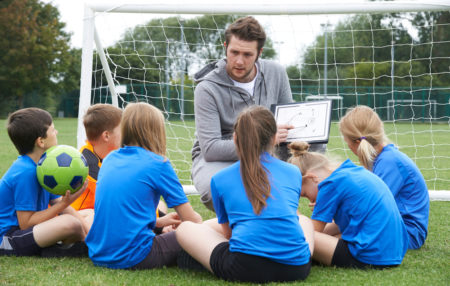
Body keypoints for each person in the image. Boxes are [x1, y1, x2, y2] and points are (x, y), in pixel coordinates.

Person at [177, 106, 314, 283]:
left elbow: (228, 235)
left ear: (235, 138)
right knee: (303, 220)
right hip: (297, 268)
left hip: (245, 268)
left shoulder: (219, 179)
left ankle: (196, 256)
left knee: (185, 228)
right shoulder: (293, 172)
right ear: (274, 139)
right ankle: (300, 253)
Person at [192, 16, 314, 210]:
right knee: (216, 187)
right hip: (224, 155)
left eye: (247, 54)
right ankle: (239, 232)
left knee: (320, 170)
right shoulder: (206, 88)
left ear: (259, 53)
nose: (239, 61)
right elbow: (211, 148)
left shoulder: (276, 73)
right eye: (234, 52)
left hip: (271, 149)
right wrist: (261, 143)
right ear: (225, 47)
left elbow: (288, 119)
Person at [85, 102, 202, 269]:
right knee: (205, 229)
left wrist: (159, 223)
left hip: (98, 253)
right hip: (136, 256)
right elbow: (192, 220)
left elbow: (122, 212)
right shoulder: (158, 164)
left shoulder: (110, 158)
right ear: (157, 131)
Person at [288, 141, 409, 268]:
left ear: (311, 177)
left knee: (300, 237)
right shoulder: (351, 171)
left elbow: (310, 233)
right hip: (392, 252)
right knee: (327, 234)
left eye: (305, 194)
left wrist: (295, 212)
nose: (310, 199)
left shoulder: (330, 185)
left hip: (369, 256)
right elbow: (343, 224)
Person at [0, 108, 90, 256]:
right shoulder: (25, 172)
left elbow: (59, 205)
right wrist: (64, 204)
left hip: (29, 231)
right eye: (53, 130)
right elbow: (25, 223)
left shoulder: (45, 166)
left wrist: (90, 236)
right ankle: (64, 250)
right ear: (41, 141)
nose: (57, 133)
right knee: (71, 222)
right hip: (9, 237)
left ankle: (72, 246)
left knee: (87, 214)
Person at [339, 105, 429, 249]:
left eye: (346, 140)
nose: (347, 145)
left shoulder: (389, 162)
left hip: (407, 233)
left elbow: (368, 209)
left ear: (356, 142)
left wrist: (336, 206)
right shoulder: (382, 158)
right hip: (392, 226)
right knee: (325, 234)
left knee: (324, 239)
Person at [71, 104, 169, 233]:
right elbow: (122, 197)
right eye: (123, 130)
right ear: (106, 136)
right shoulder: (85, 162)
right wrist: (160, 226)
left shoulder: (111, 157)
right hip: (83, 216)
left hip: (106, 212)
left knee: (159, 204)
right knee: (93, 216)